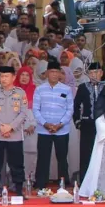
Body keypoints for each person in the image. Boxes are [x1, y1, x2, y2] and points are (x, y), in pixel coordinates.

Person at [0, 64, 30, 196]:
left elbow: (23, 112)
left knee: (17, 164)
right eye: (1, 76)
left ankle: (19, 191)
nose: (3, 79)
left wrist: (10, 127)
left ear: (13, 77)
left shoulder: (20, 93)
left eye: (6, 76)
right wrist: (1, 126)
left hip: (14, 135)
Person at [32, 59, 72, 188]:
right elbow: (36, 109)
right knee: (43, 158)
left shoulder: (66, 89)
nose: (54, 74)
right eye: (51, 72)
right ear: (47, 73)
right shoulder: (39, 89)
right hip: (44, 130)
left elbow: (70, 109)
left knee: (62, 158)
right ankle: (40, 184)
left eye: (56, 72)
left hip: (62, 129)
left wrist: (60, 124)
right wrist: (46, 124)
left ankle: (63, 184)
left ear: (60, 74)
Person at [73, 62, 103, 184]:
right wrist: (78, 122)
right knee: (86, 154)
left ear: (101, 73)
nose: (93, 75)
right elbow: (75, 106)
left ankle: (100, 182)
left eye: (96, 72)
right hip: (87, 125)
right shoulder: (83, 87)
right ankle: (85, 182)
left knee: (101, 154)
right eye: (91, 73)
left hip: (103, 126)